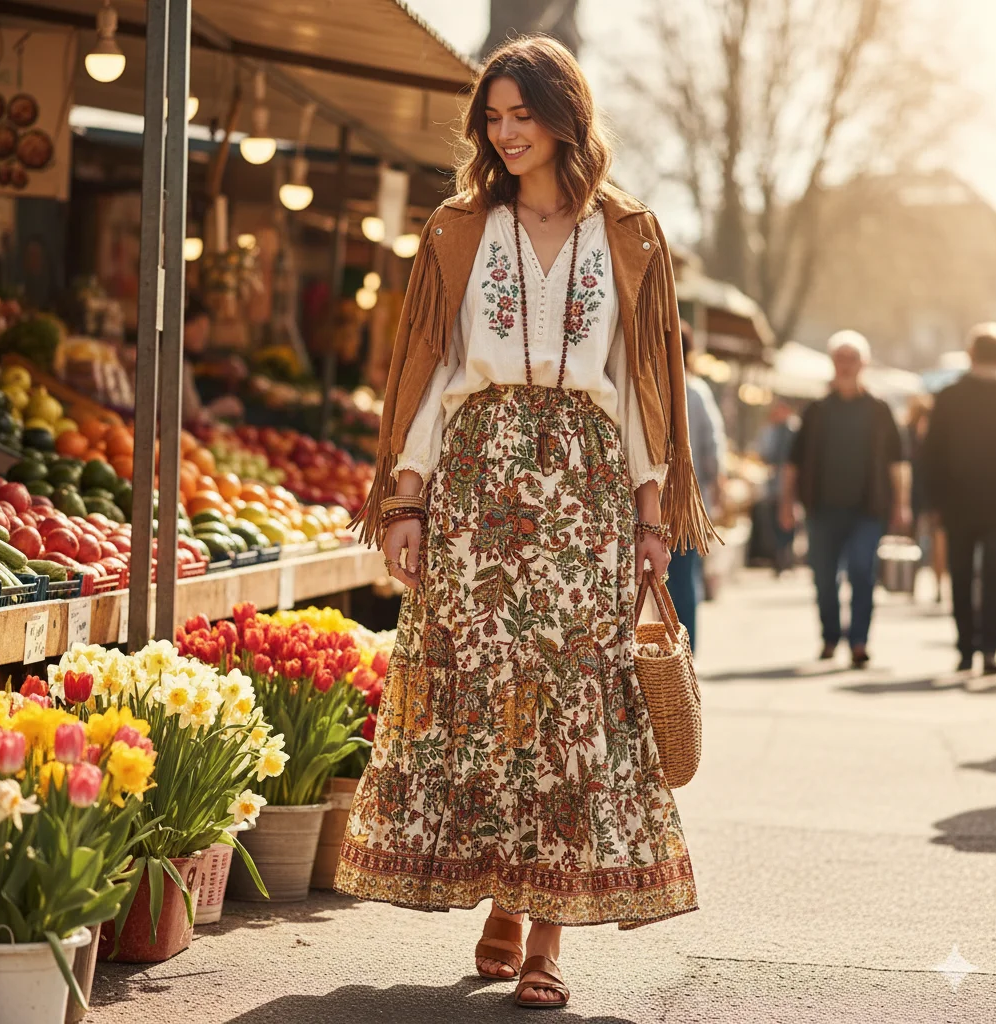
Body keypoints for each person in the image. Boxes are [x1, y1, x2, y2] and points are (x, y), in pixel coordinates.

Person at [334, 36, 714, 1010]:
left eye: (521, 115)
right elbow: (428, 365)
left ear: (563, 116)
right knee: (487, 702)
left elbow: (642, 385)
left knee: (569, 709)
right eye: (492, 118)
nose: (504, 134)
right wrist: (407, 497)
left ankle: (546, 932)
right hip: (476, 489)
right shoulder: (460, 225)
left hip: (583, 495)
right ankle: (501, 897)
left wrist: (651, 510)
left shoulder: (629, 231)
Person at [779, 330, 908, 667]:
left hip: (868, 509)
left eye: (852, 359)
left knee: (863, 571)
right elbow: (793, 463)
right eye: (840, 359)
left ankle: (860, 641)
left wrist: (901, 504)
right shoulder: (816, 411)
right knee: (824, 577)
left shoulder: (879, 410)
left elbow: (898, 462)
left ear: (863, 364)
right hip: (821, 509)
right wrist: (786, 503)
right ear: (832, 363)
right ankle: (830, 636)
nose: (846, 366)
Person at [922, 323, 996, 674]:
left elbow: (931, 454)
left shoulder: (948, 397)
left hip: (956, 504)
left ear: (970, 354)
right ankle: (989, 648)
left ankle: (965, 648)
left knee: (960, 574)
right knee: (994, 575)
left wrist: (932, 502)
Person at [665, 321, 724, 652]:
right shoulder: (697, 392)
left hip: (660, 502)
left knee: (673, 579)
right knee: (685, 579)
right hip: (688, 504)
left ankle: (662, 651)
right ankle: (685, 652)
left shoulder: (648, 387)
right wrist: (715, 490)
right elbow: (712, 448)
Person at [905, 396, 946, 604]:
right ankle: (912, 584)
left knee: (935, 540)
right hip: (921, 493)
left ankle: (935, 586)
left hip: (927, 493)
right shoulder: (910, 435)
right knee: (919, 539)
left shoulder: (933, 435)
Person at [180, 296, 245, 426]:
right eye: (198, 327)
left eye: (205, 329)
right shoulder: (177, 365)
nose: (202, 334)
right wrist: (219, 408)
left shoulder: (189, 362)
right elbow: (192, 418)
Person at [754, 399, 797, 575]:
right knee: (775, 521)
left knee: (785, 523)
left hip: (785, 484)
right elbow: (764, 454)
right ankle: (780, 558)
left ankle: (785, 557)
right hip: (774, 484)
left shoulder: (792, 431)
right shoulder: (772, 430)